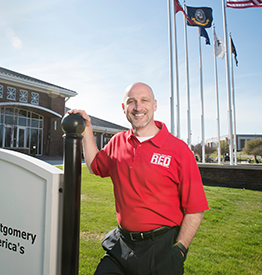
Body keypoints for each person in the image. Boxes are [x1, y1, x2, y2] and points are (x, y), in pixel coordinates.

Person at [69, 82, 208, 275]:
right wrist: (87, 130)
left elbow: (196, 208)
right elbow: (95, 166)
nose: (138, 107)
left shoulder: (178, 150)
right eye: (131, 101)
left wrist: (180, 249)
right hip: (122, 246)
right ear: (124, 108)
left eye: (144, 100)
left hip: (160, 251)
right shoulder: (118, 141)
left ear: (155, 105)